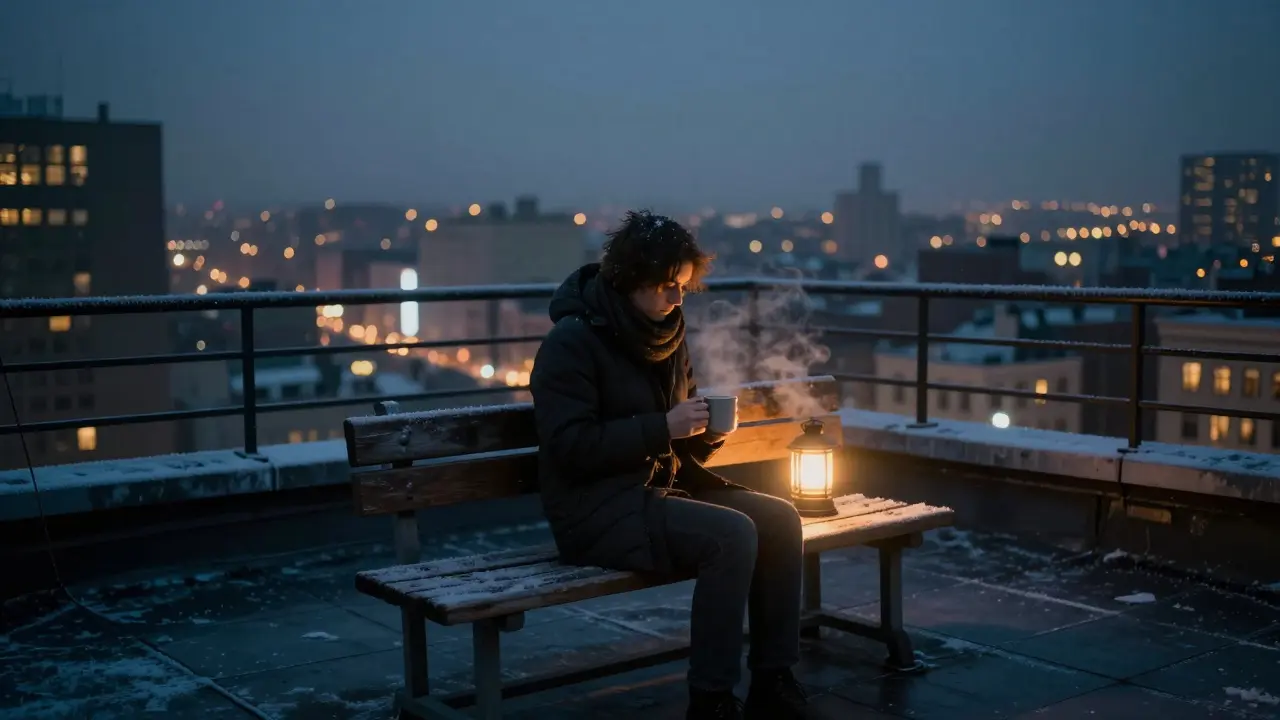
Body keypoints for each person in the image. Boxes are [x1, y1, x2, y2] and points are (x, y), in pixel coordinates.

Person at [529, 210, 808, 719]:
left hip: (657, 492)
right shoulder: (571, 343)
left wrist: (708, 434)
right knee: (733, 534)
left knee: (781, 520)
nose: (678, 298)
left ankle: (775, 678)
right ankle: (712, 699)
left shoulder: (666, 335)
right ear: (629, 280)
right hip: (596, 510)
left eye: (682, 286)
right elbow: (570, 447)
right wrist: (663, 426)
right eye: (666, 286)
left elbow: (678, 446)